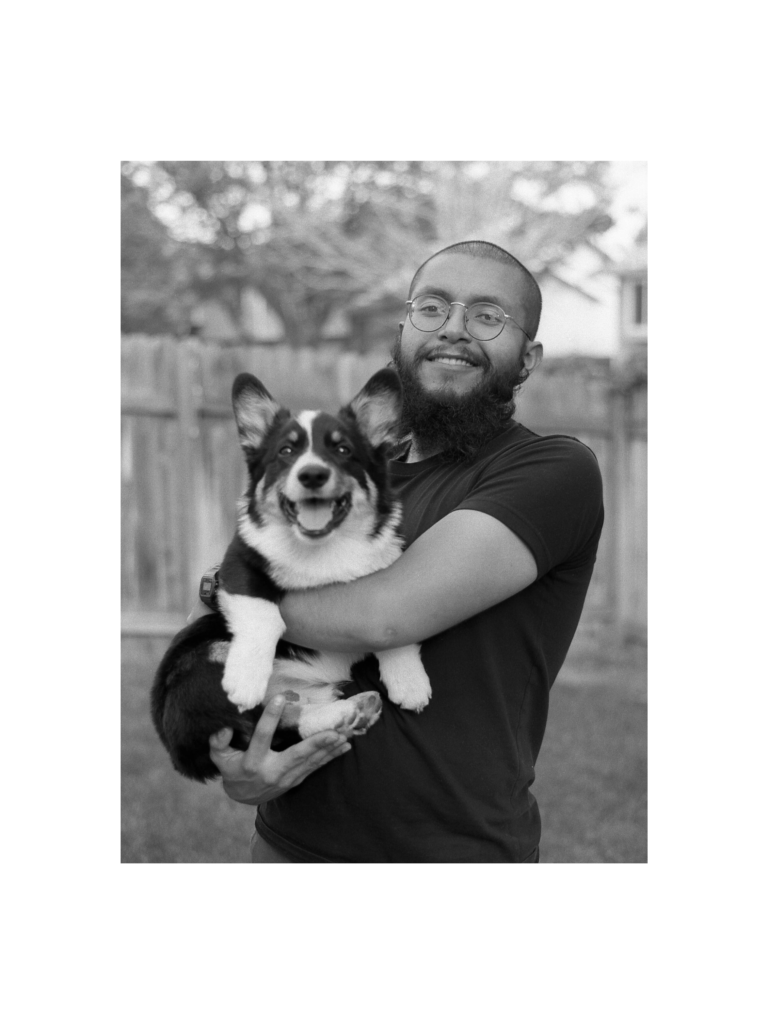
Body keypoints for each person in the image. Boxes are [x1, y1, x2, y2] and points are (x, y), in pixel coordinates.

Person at [202, 240, 604, 863]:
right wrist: (241, 761)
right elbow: (249, 577)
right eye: (432, 308)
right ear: (404, 330)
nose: (454, 331)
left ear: (528, 358)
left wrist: (227, 591)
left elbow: (385, 616)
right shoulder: (352, 472)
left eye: (487, 317)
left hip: (454, 852)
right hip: (290, 841)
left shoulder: (552, 470)